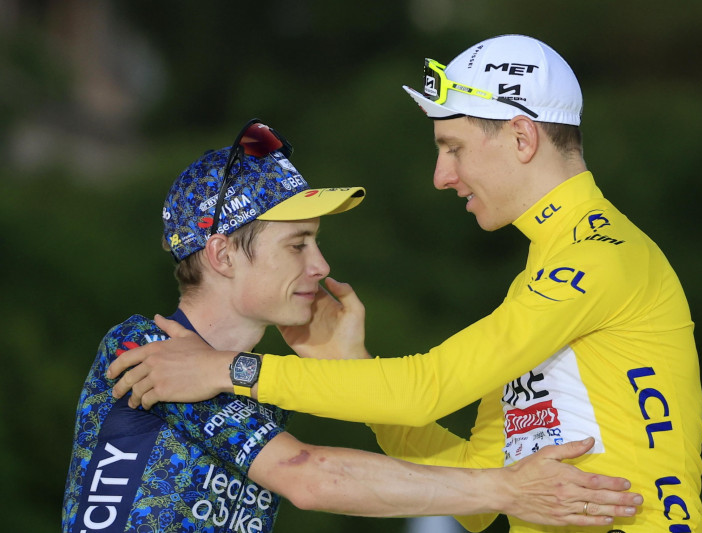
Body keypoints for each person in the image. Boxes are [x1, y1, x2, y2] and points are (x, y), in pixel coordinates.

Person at [109, 33, 702, 533]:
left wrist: (227, 370)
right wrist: (352, 366)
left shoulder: (598, 257)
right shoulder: (548, 273)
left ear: (523, 139)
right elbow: (477, 490)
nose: (442, 175)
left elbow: (427, 389)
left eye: (453, 148)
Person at [63, 118, 642, 533]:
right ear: (222, 255)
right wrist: (509, 488)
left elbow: (455, 500)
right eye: (298, 244)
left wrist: (351, 367)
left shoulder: (226, 377)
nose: (321, 266)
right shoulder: (148, 351)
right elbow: (311, 478)